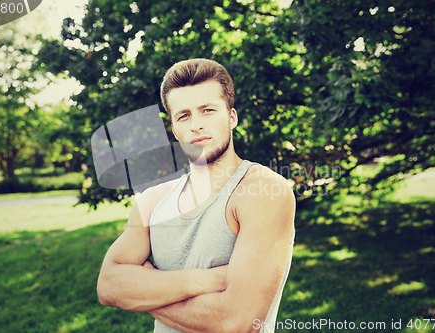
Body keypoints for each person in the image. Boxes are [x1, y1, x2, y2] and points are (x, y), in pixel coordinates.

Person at [97, 58, 296, 333]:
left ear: (232, 117)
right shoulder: (153, 201)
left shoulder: (263, 191)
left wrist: (146, 292)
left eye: (208, 110)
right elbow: (108, 285)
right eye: (184, 116)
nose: (196, 125)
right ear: (174, 129)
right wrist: (209, 280)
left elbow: (235, 322)